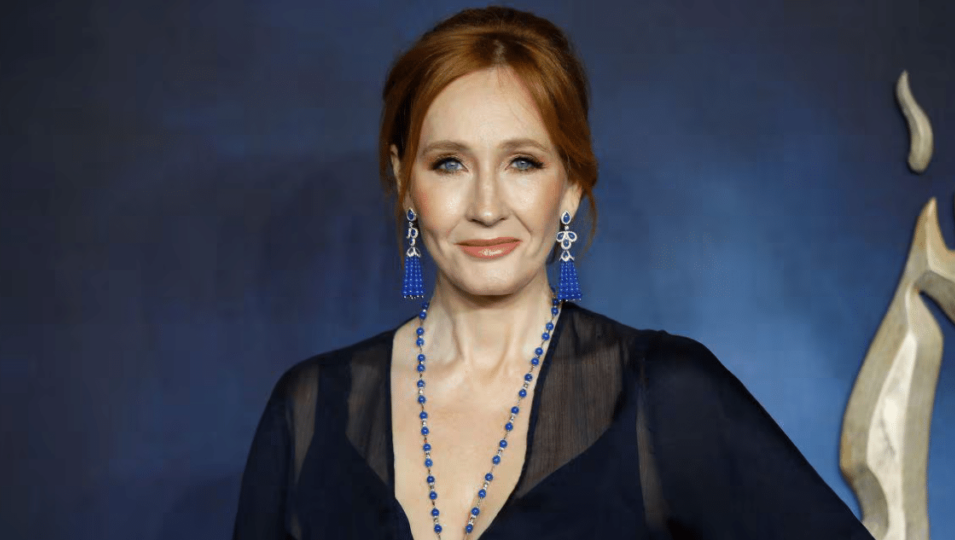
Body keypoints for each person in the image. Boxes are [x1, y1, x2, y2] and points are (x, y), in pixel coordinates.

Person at [232, 6, 874, 540]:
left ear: (569, 185)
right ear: (405, 181)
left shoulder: (664, 394)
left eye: (523, 162)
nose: (487, 207)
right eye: (450, 163)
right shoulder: (308, 412)